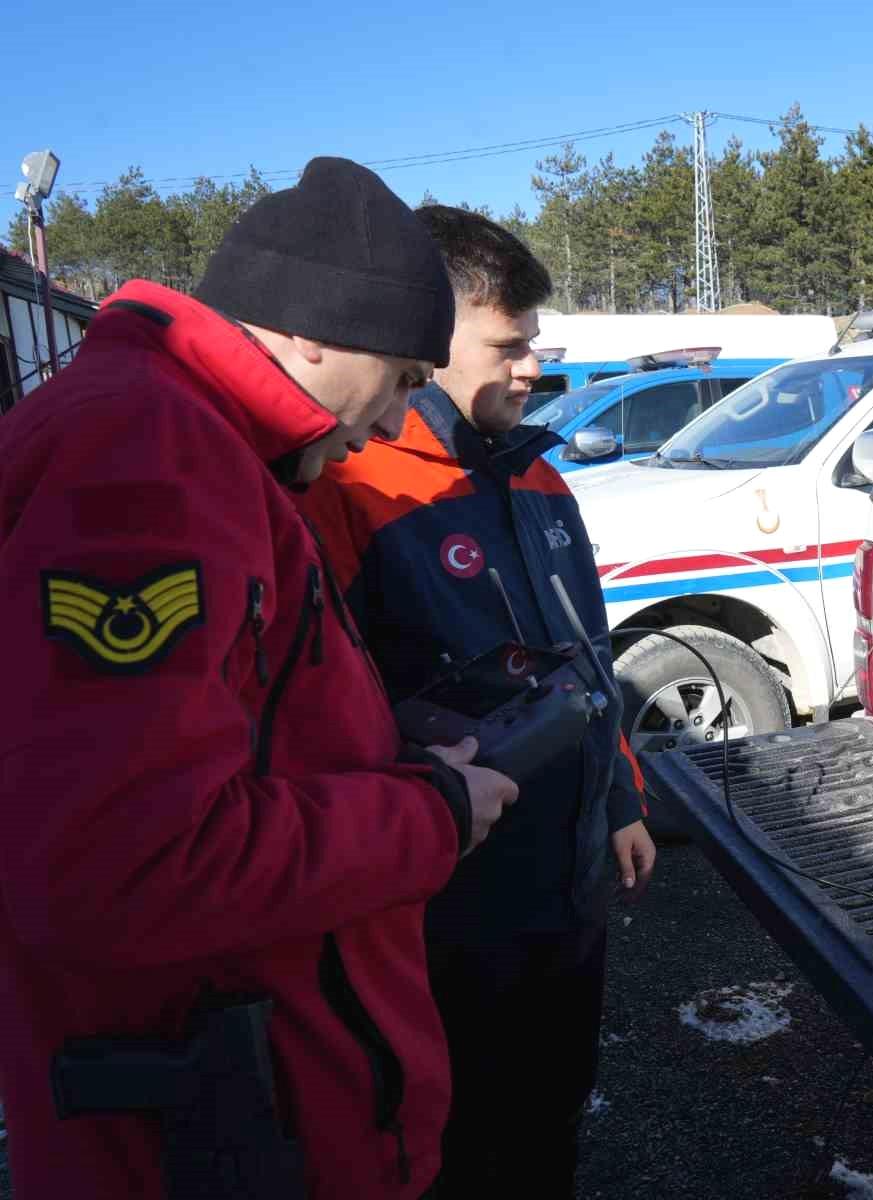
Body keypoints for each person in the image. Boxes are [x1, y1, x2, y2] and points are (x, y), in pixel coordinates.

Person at [0, 159, 519, 1200]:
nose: (392, 424)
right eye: (407, 380)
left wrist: (382, 751)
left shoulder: (187, 440)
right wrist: (430, 814)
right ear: (314, 333)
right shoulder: (146, 456)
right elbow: (126, 865)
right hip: (220, 1136)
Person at [297, 205, 656, 1196]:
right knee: (449, 1148)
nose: (532, 368)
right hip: (439, 911)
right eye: (509, 345)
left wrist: (622, 800)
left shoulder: (540, 478)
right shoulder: (348, 487)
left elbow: (590, 659)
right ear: (427, 333)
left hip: (567, 888)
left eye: (535, 345)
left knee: (549, 1124)